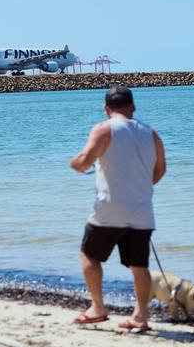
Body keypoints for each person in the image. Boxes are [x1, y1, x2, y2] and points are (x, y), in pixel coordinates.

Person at [70, 85, 166, 332]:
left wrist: (76, 163)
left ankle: (98, 308)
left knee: (89, 255)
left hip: (109, 209)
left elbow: (84, 162)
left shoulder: (104, 129)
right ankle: (140, 316)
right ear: (132, 106)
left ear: (106, 109)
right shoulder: (151, 133)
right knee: (139, 265)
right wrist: (142, 187)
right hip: (142, 210)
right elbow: (161, 170)